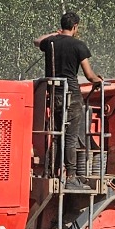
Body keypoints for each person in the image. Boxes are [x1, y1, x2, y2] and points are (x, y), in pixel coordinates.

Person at [35, 12, 101, 176]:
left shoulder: (50, 42)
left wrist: (54, 34)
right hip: (71, 94)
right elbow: (89, 75)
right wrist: (98, 80)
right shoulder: (79, 46)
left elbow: (37, 41)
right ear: (75, 26)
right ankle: (71, 175)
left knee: (56, 135)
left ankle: (50, 171)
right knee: (70, 137)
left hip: (54, 95)